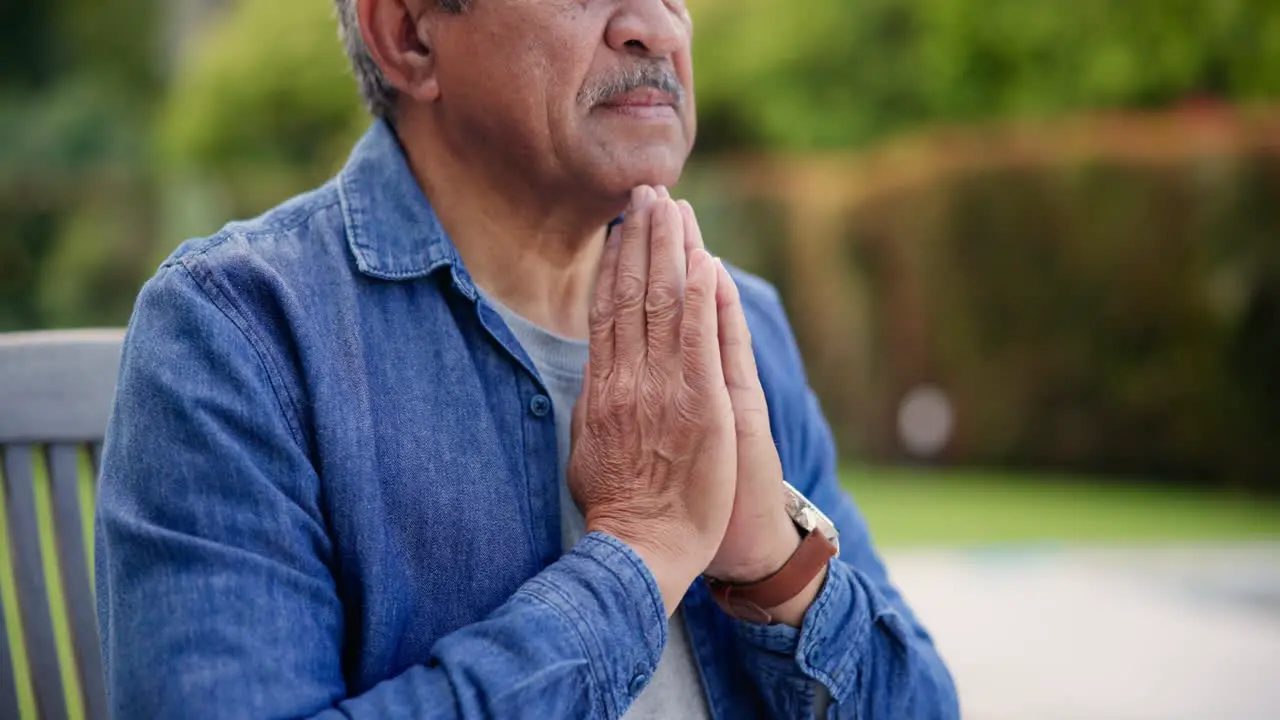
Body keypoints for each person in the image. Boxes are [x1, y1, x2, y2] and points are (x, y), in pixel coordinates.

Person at [95, 0, 958, 717]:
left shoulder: (743, 327)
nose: (655, 25)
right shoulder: (236, 333)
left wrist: (776, 566)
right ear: (409, 34)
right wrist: (640, 555)